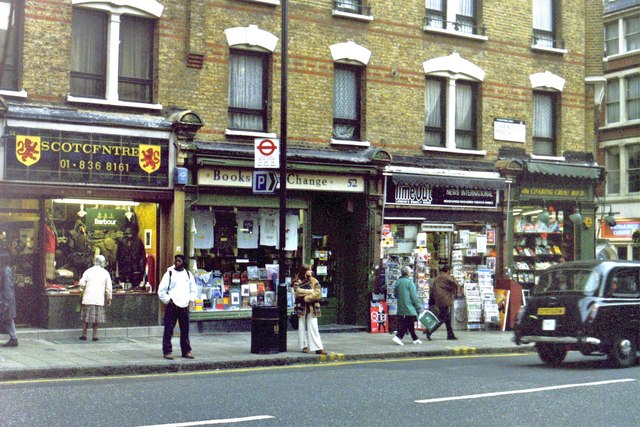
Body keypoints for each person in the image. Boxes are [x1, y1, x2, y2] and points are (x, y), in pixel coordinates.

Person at [158, 254, 197, 360]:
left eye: (179, 261)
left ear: (184, 263)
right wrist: (168, 300)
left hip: (184, 306)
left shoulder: (188, 275)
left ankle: (186, 351)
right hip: (173, 305)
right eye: (176, 261)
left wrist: (190, 300)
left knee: (185, 330)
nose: (176, 263)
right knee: (169, 329)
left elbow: (193, 289)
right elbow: (161, 290)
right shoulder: (169, 273)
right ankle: (167, 351)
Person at [292, 264, 327, 355]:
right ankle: (304, 346)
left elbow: (318, 293)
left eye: (311, 269)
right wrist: (311, 291)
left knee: (314, 327)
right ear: (304, 271)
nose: (310, 271)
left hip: (312, 306)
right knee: (302, 326)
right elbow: (297, 292)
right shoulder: (297, 281)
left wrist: (308, 297)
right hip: (301, 306)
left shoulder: (314, 280)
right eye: (309, 269)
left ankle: (318, 347)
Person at [78, 255, 113, 341]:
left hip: (88, 298)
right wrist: (109, 298)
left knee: (85, 319)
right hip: (98, 299)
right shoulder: (105, 273)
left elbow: (82, 283)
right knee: (96, 320)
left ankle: (84, 335)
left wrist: (83, 288)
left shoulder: (88, 271)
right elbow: (109, 288)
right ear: (102, 263)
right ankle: (94, 336)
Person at [427, 265, 460, 341]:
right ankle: (429, 331)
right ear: (448, 270)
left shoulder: (440, 276)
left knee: (446, 318)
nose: (451, 272)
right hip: (444, 300)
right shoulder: (445, 277)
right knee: (443, 318)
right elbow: (454, 284)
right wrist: (454, 278)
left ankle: (450, 334)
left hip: (440, 300)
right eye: (451, 270)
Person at [392, 266, 423, 346]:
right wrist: (418, 306)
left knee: (410, 322)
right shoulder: (410, 283)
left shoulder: (398, 282)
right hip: (409, 306)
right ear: (408, 273)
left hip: (401, 305)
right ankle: (398, 336)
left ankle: (415, 338)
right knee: (407, 322)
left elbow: (395, 294)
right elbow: (414, 296)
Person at [0, 252, 18, 347]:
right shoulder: (4, 270)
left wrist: (6, 303)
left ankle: (14, 338)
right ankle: (13, 337)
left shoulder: (6, 271)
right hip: (5, 299)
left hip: (5, 300)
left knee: (8, 319)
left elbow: (7, 287)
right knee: (8, 320)